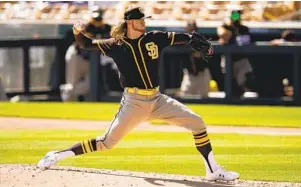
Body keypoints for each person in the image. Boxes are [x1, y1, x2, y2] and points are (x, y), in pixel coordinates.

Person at [37, 6, 239, 182]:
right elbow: (86, 44)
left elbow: (180, 38)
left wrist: (190, 39)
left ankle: (212, 170)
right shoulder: (116, 45)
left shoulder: (155, 38)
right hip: (134, 103)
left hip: (158, 99)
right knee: (106, 143)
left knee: (198, 123)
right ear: (130, 22)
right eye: (140, 20)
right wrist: (77, 32)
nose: (144, 22)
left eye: (144, 19)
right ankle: (57, 155)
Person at [60, 7, 115, 101]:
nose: (96, 21)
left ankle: (67, 91)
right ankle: (69, 101)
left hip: (90, 60)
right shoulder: (85, 26)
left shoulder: (107, 28)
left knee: (90, 84)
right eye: (95, 18)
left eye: (98, 19)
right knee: (73, 82)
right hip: (77, 56)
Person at [217, 9, 256, 97]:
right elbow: (223, 35)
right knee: (230, 82)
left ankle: (243, 96)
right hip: (228, 60)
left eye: (238, 16)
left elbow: (247, 41)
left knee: (245, 79)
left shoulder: (244, 28)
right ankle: (231, 99)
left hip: (241, 59)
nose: (236, 18)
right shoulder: (225, 27)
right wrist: (230, 29)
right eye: (234, 16)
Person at [180, 21, 212, 98]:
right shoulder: (182, 39)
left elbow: (210, 51)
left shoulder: (201, 39)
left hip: (202, 73)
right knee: (185, 97)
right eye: (189, 29)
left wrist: (200, 52)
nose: (191, 31)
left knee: (204, 98)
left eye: (193, 29)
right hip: (190, 74)